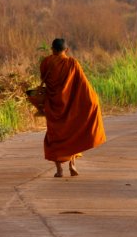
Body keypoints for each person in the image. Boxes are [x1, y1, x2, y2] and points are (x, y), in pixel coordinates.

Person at [41, 38, 106, 177]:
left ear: (52, 49)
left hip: (53, 106)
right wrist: (93, 101)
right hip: (70, 105)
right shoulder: (72, 63)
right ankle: (72, 165)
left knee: (55, 137)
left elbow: (44, 79)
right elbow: (83, 85)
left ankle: (59, 170)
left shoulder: (46, 62)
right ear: (67, 50)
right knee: (72, 133)